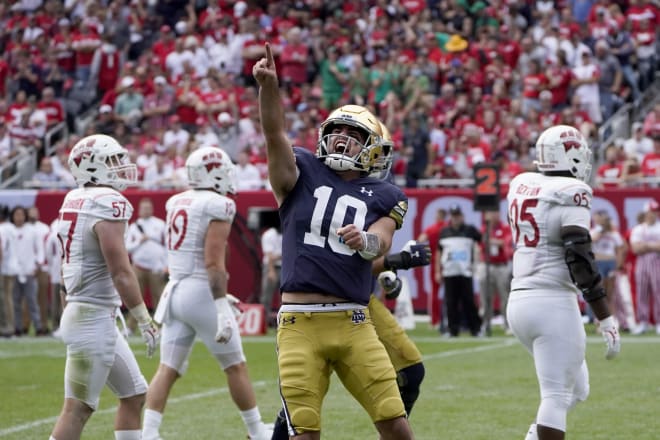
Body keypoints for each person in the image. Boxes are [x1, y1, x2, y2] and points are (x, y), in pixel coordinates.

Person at [253, 43, 414, 439]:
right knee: (304, 433)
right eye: (336, 131)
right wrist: (269, 89)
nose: (341, 138)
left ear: (373, 146)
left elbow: (381, 243)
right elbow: (274, 133)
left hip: (354, 321)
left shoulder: (385, 195)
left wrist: (364, 241)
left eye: (353, 133)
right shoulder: (302, 170)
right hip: (298, 324)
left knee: (397, 426)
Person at [142, 146, 273, 440]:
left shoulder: (177, 201)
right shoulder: (218, 204)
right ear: (212, 172)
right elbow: (213, 262)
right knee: (235, 366)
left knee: (168, 368)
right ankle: (256, 432)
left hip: (174, 291)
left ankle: (148, 433)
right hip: (200, 291)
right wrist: (220, 304)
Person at [506, 125, 620, 440]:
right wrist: (604, 315)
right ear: (568, 154)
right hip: (552, 301)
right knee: (555, 396)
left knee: (577, 388)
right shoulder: (572, 190)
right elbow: (579, 257)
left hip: (519, 302)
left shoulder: (521, 183)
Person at [50, 134, 160, 440]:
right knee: (77, 409)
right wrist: (144, 318)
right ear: (92, 167)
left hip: (89, 312)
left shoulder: (74, 198)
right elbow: (121, 271)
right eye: (113, 160)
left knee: (135, 394)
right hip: (91, 317)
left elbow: (66, 266)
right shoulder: (107, 201)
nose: (122, 166)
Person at [434, 204, 482, 337]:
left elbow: (481, 243)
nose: (456, 219)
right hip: (450, 271)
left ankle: (475, 329)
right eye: (453, 216)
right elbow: (439, 252)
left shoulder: (470, 230)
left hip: (465, 271)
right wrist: (438, 271)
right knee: (451, 302)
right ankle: (452, 330)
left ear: (462, 216)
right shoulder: (444, 232)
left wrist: (477, 263)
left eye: (458, 216)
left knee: (469, 301)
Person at [125, 197, 167, 332]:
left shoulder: (160, 224)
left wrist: (166, 265)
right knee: (135, 297)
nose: (146, 210)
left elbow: (167, 245)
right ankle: (131, 327)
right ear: (139, 210)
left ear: (152, 209)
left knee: (159, 297)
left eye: (148, 208)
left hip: (156, 267)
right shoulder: (133, 227)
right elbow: (127, 248)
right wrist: (139, 241)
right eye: (144, 208)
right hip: (138, 267)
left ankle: (160, 326)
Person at [629, 199, 660, 335]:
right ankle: (643, 322)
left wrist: (646, 245)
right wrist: (654, 246)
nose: (653, 214)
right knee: (642, 292)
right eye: (651, 211)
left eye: (655, 211)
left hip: (657, 261)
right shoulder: (639, 229)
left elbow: (642, 246)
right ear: (646, 213)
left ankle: (659, 322)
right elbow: (635, 248)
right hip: (642, 262)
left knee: (658, 291)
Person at [417, 208, 447, 330]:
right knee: (451, 293)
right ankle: (449, 318)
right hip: (448, 262)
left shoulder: (432, 228)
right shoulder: (447, 228)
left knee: (434, 293)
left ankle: (435, 321)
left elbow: (420, 239)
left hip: (435, 261)